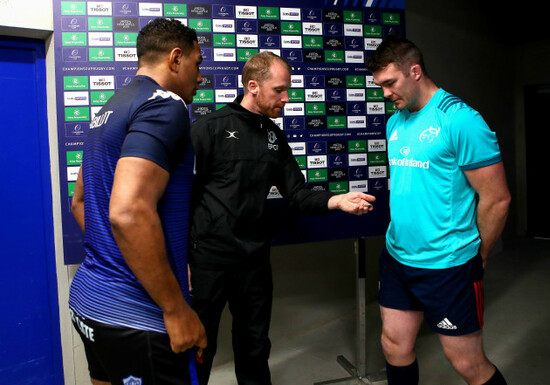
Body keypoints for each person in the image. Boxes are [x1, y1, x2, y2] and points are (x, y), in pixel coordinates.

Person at [189, 51, 376, 385]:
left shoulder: (274, 137)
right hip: (208, 261)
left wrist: (337, 200)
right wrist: (182, 259)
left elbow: (298, 196)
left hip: (254, 261)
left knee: (255, 348)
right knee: (198, 349)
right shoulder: (209, 128)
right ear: (253, 87)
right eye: (279, 90)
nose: (287, 99)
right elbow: (180, 199)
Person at [365, 35, 511, 385]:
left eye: (390, 83)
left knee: (466, 363)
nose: (385, 94)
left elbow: (497, 199)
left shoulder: (461, 120)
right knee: (394, 345)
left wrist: (480, 257)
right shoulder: (395, 122)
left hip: (448, 265)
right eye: (379, 86)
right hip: (398, 257)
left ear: (414, 71)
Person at [69, 18, 207, 385]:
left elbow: (80, 202)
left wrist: (144, 260)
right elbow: (128, 213)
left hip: (89, 303)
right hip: (138, 315)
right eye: (197, 63)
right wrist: (176, 308)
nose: (200, 76)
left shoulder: (109, 108)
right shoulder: (165, 105)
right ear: (175, 59)